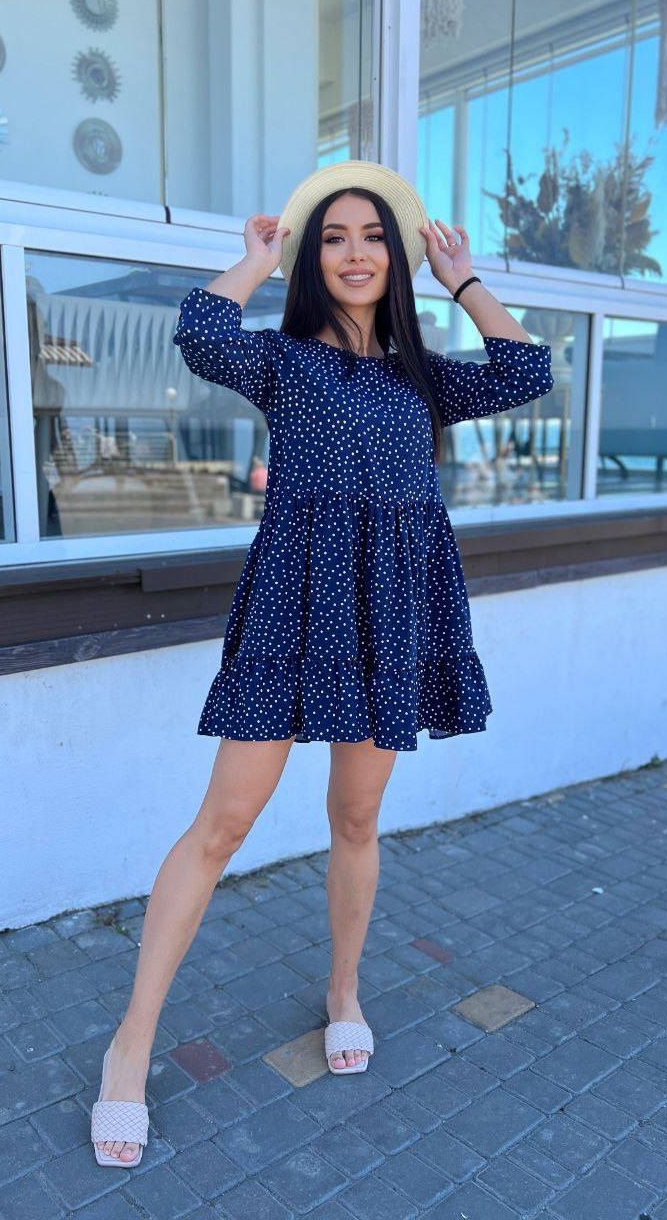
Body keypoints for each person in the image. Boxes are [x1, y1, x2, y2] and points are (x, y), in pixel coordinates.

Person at [90, 160, 554, 1166]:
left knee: (355, 817)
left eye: (374, 236)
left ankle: (344, 989)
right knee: (222, 824)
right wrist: (257, 260)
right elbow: (200, 332)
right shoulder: (283, 360)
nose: (355, 253)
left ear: (396, 257)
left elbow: (527, 371)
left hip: (390, 610)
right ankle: (129, 1047)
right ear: (314, 258)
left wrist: (464, 279)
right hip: (295, 604)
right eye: (334, 237)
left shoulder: (423, 376)